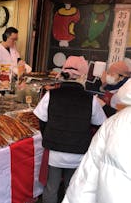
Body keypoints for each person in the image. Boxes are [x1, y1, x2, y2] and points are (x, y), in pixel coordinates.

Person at [33, 56, 107, 203]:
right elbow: (100, 123)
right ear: (83, 76)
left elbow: (41, 119)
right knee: (72, 188)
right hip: (78, 152)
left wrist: (49, 135)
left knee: (51, 188)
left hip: (55, 152)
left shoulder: (51, 95)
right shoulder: (91, 99)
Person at [62, 78, 131, 203]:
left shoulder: (115, 122)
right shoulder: (92, 101)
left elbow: (84, 186)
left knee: (53, 184)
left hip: (57, 150)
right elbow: (98, 120)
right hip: (77, 148)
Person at [0, 27, 31, 92]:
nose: (14, 42)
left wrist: (23, 65)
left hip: (13, 83)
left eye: (16, 40)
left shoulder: (13, 48)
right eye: (13, 39)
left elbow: (18, 60)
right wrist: (13, 72)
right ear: (5, 37)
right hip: (2, 84)